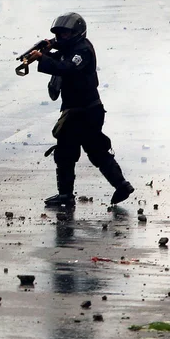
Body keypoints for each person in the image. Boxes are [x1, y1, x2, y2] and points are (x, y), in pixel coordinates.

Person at [28, 12, 134, 208]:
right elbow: (59, 54)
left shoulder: (82, 51)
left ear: (77, 33)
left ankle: (67, 195)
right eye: (59, 34)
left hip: (85, 111)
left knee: (72, 151)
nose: (61, 38)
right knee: (88, 150)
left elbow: (66, 68)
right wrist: (46, 48)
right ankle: (121, 185)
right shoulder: (69, 47)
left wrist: (42, 58)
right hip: (81, 110)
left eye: (66, 34)